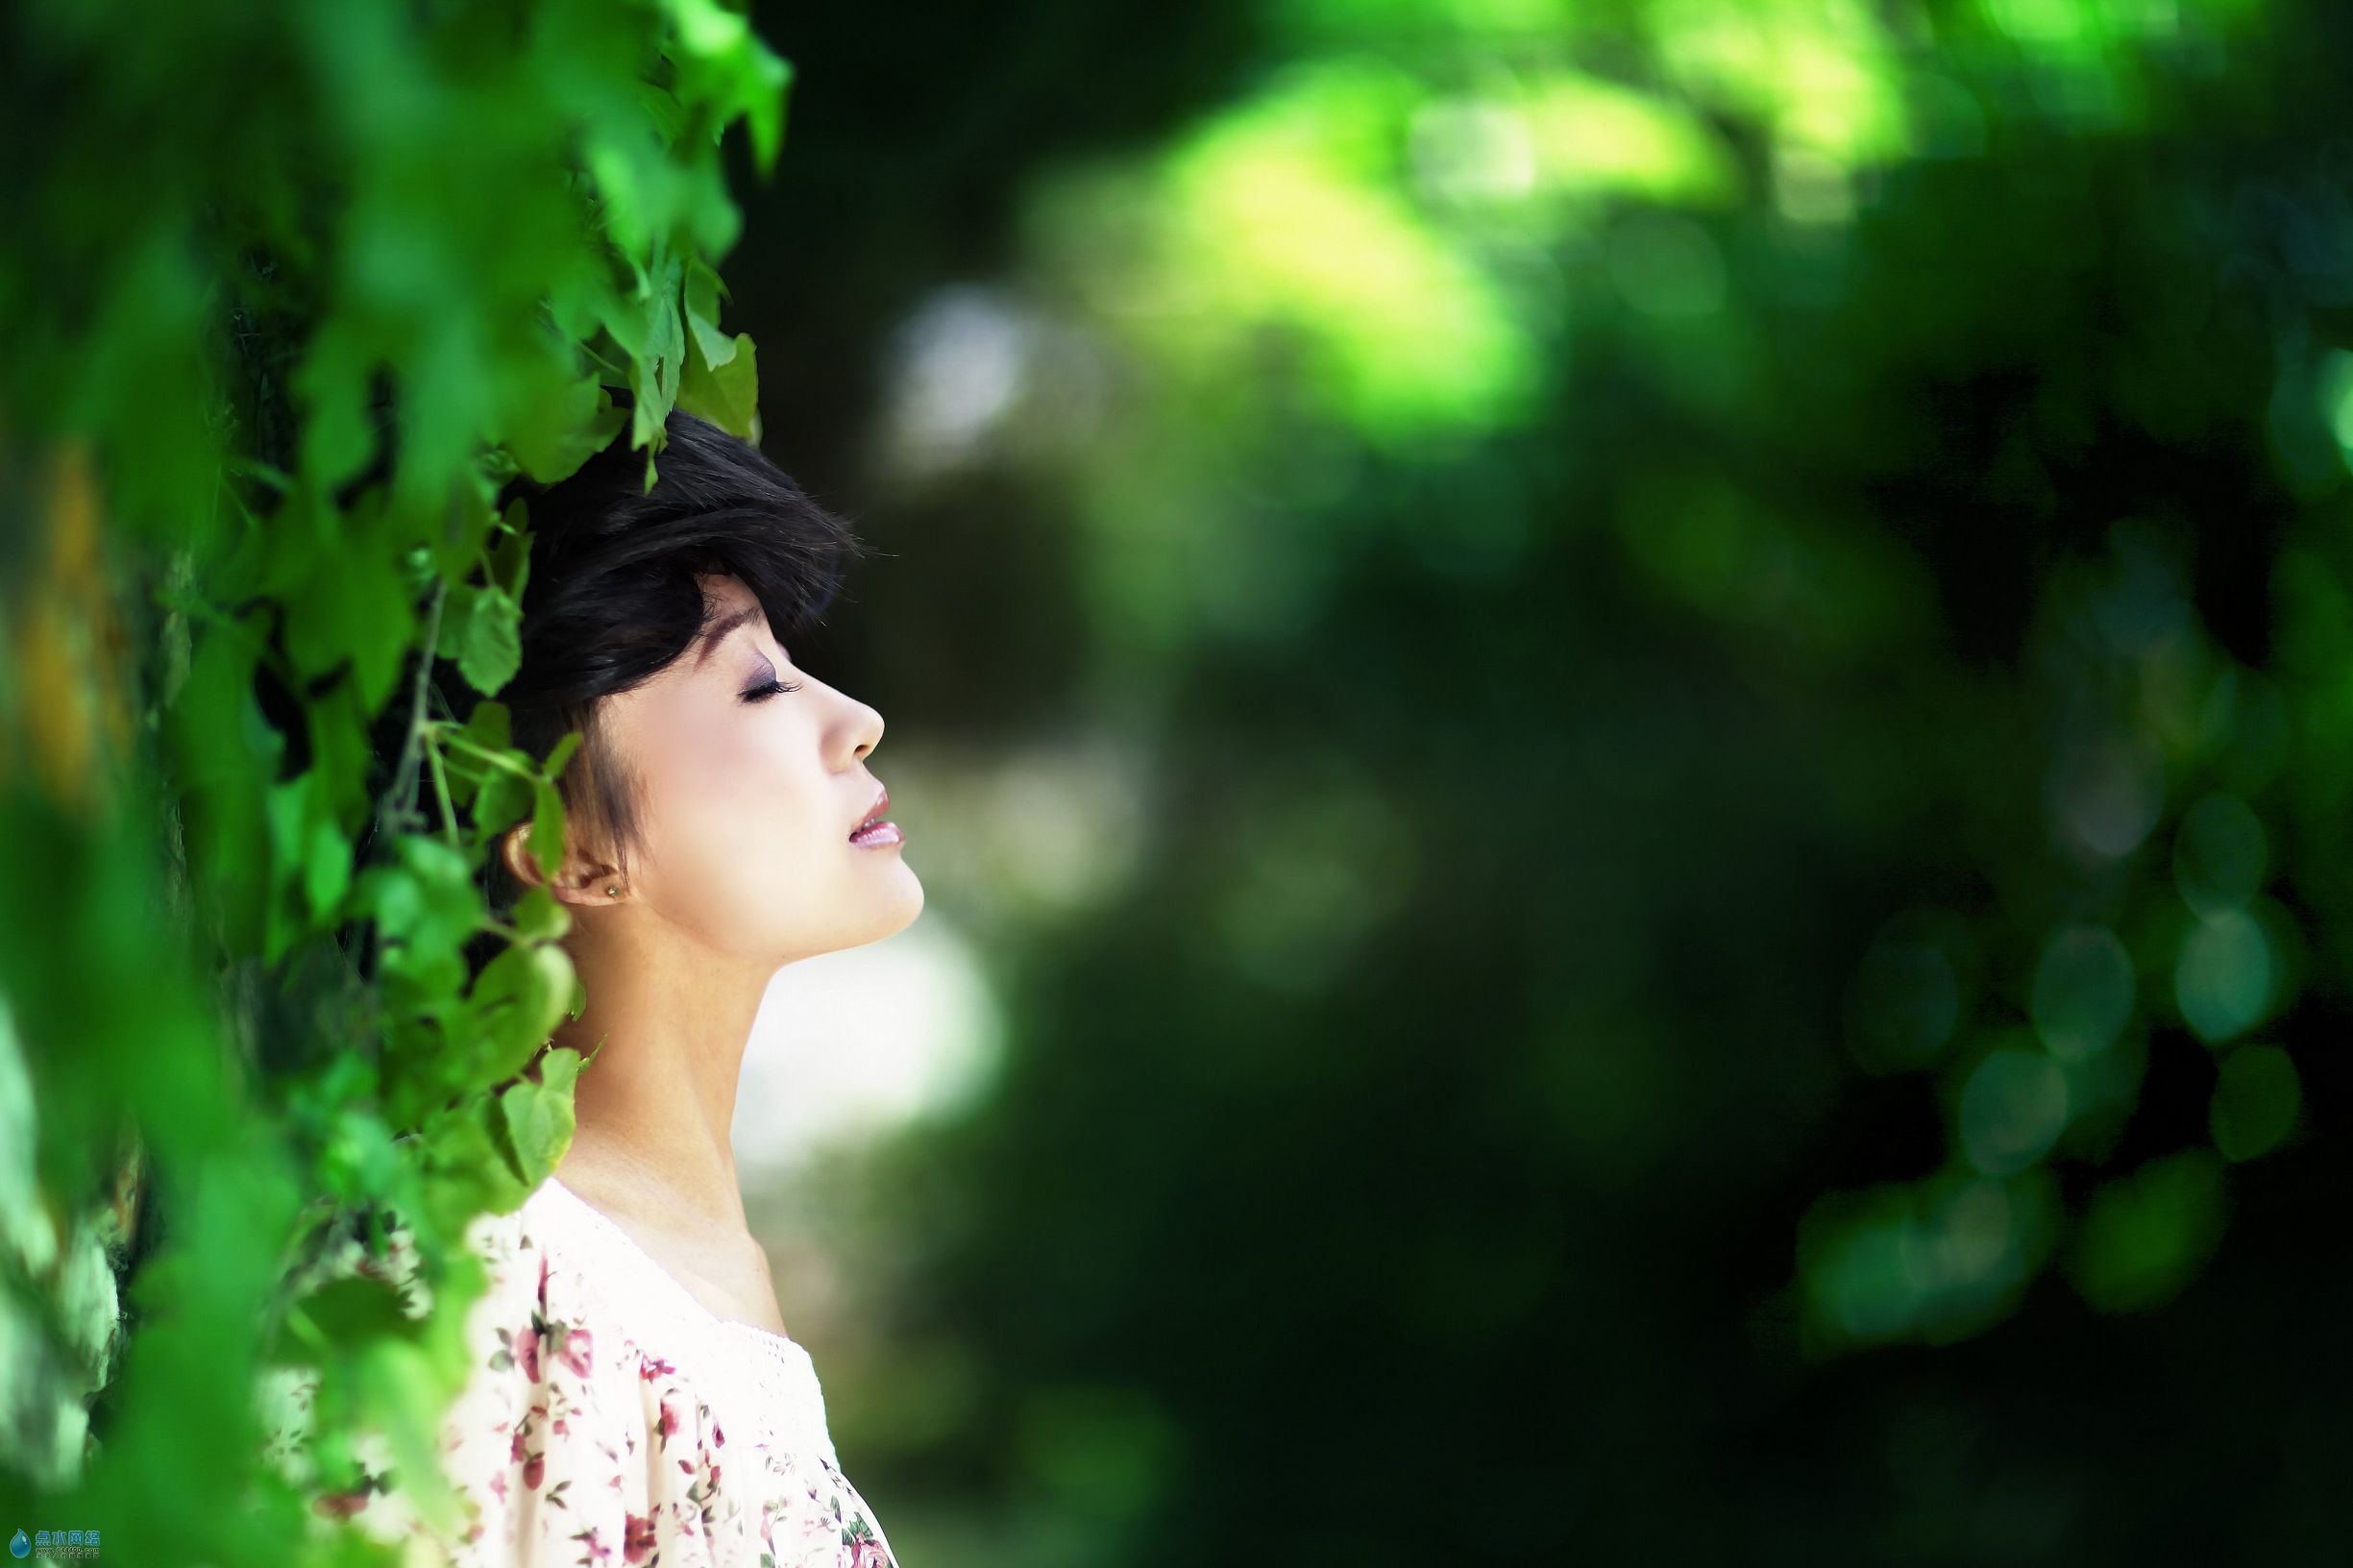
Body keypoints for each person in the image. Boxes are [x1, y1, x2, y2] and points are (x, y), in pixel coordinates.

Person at [261, 409, 919, 1567]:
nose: (856, 723)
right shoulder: (476, 1293)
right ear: (566, 845)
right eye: (760, 687)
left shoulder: (660, 1275)